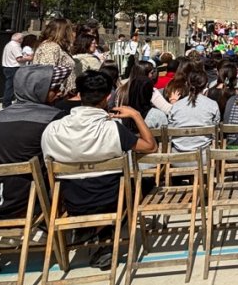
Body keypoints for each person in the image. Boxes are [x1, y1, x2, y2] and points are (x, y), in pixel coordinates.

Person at [40, 71, 157, 269]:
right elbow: (150, 146)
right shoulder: (113, 129)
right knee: (144, 183)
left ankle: (95, 232)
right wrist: (136, 115)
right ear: (108, 97)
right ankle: (105, 235)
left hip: (73, 201)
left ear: (80, 95)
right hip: (111, 200)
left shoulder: (53, 129)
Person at [0, 65, 70, 220]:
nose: (59, 92)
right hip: (28, 203)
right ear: (38, 90)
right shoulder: (54, 117)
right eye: (55, 88)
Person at [166, 69, 220, 152]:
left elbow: (170, 132)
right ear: (206, 85)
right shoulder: (212, 105)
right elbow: (215, 132)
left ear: (187, 84)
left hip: (177, 158)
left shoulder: (176, 106)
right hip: (205, 157)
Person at [32, 18, 77, 95]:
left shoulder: (59, 47)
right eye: (72, 30)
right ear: (64, 32)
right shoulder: (50, 47)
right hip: (55, 97)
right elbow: (47, 74)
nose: (74, 34)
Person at [1, 33, 27, 108]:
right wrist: (28, 58)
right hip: (14, 67)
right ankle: (7, 103)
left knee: (10, 85)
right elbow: (19, 58)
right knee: (11, 86)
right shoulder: (15, 46)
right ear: (20, 39)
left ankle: (7, 102)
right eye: (22, 39)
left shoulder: (8, 44)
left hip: (7, 67)